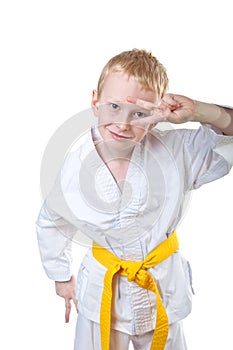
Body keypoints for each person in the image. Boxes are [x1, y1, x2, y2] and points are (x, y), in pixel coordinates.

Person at [36, 49, 233, 350]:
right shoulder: (74, 168)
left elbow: (227, 138)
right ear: (95, 101)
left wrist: (198, 112)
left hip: (161, 288)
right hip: (102, 293)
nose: (123, 124)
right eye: (113, 106)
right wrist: (61, 277)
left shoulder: (176, 152)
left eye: (139, 113)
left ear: (157, 117)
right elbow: (51, 221)